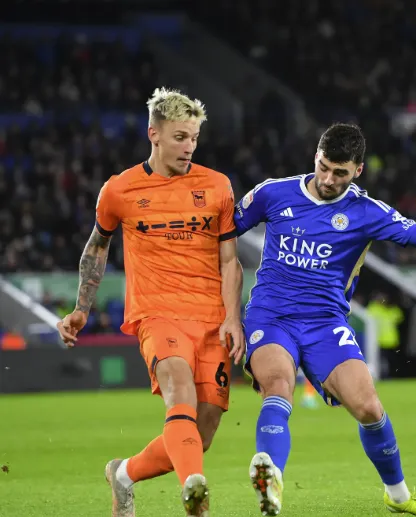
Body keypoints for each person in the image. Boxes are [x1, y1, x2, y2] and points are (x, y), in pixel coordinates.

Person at [233, 123, 416, 516]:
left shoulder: (366, 212)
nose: (328, 179)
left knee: (369, 408)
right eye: (324, 167)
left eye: (340, 173)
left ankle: (397, 496)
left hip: (326, 323)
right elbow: (223, 233)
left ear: (358, 170)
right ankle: (271, 481)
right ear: (316, 156)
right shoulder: (273, 193)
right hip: (271, 315)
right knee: (278, 385)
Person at [56, 87, 245, 517]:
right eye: (180, 137)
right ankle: (196, 496)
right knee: (178, 391)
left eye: (194, 137)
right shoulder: (120, 190)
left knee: (204, 428)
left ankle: (123, 474)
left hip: (212, 318)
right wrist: (82, 306)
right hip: (156, 314)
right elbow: (97, 248)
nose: (189, 146)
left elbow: (230, 259)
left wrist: (233, 317)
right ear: (153, 134)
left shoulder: (217, 186)